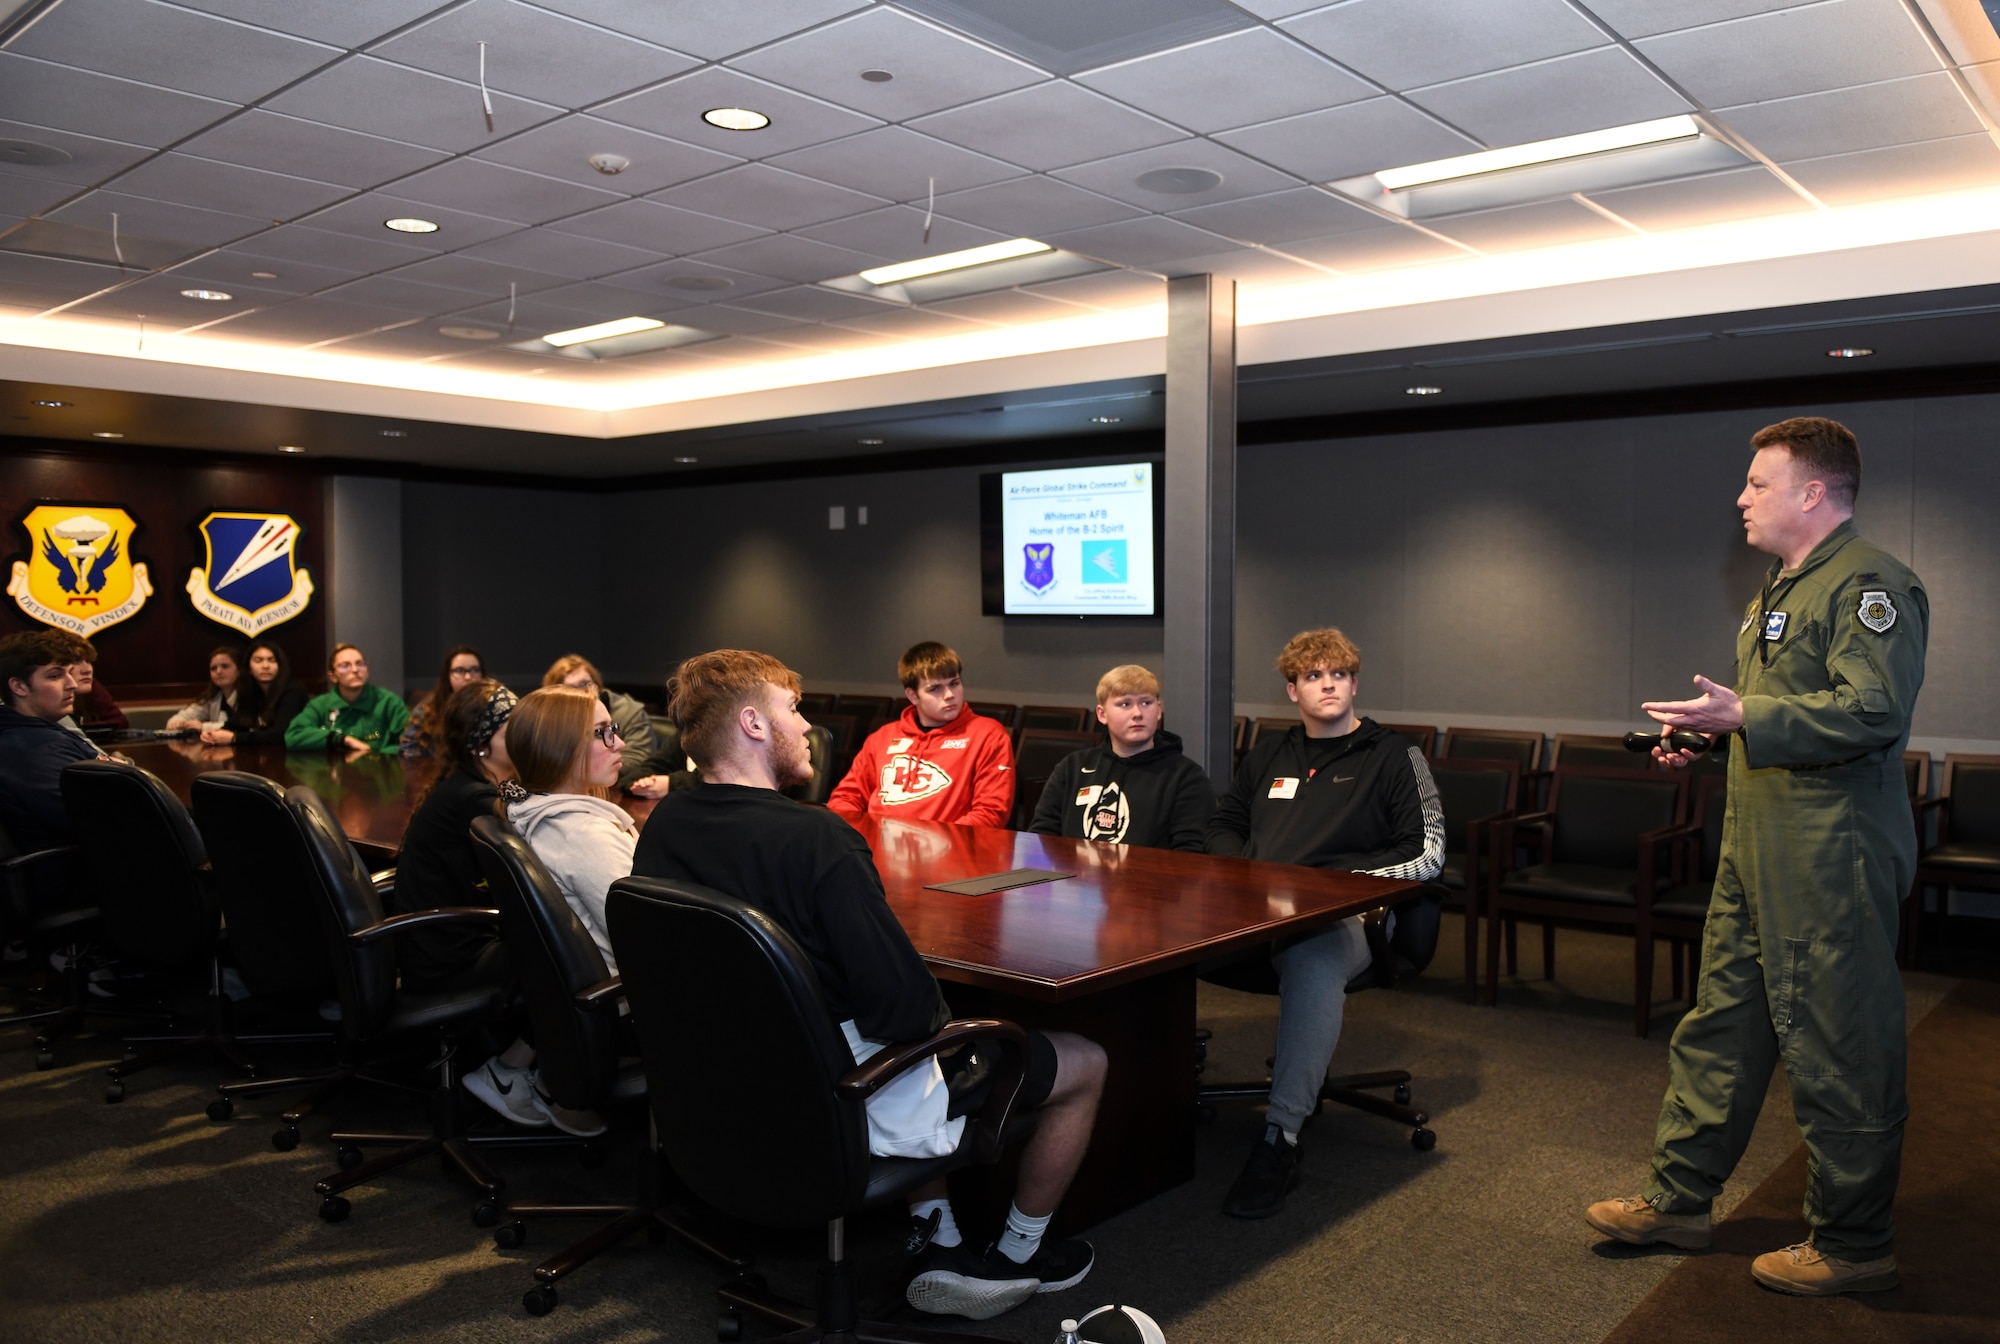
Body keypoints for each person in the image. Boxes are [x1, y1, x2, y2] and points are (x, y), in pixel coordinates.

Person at [636, 649, 1104, 1321]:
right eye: (792, 711)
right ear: (753, 725)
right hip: (840, 1093)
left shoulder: (668, 825)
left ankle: (937, 1235)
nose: (804, 728)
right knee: (1082, 1059)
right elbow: (907, 1013)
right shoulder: (818, 839)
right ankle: (1019, 1254)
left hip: (731, 1088)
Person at [1585, 417, 1928, 1296]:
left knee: (1839, 1045)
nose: (1740, 497)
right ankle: (1681, 1200)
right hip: (1756, 844)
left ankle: (1853, 1243)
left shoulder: (1871, 584)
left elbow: (1872, 712)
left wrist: (1749, 720)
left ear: (1812, 492)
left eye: (1758, 483)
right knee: (1723, 1027)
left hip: (1831, 854)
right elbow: (1778, 709)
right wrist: (1711, 739)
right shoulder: (1780, 587)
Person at [1204, 627, 1443, 1219]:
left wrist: (1336, 888)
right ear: (1293, 691)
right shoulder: (1268, 756)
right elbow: (1222, 826)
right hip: (1258, 916)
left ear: (1355, 683)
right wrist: (1245, 874)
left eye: (1337, 674)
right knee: (1156, 939)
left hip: (1352, 920)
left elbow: (1429, 853)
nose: (1327, 684)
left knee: (1312, 955)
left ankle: (1280, 1139)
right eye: (1313, 676)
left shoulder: (1394, 756)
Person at [827, 641, 1015, 827]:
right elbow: (845, 798)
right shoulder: (882, 737)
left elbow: (991, 814)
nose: (949, 695)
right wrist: (862, 838)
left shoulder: (988, 735)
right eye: (935, 688)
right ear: (913, 696)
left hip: (948, 851)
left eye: (954, 683)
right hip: (875, 848)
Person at [1029, 664, 1213, 850]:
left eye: (1146, 703)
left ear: (1158, 711)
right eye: (1125, 704)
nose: (1137, 714)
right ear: (1102, 714)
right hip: (1074, 877)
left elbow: (1191, 854)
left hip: (1147, 878)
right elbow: (1043, 837)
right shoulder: (1072, 767)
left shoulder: (1185, 776)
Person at [0, 630, 110, 851]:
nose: (71, 684)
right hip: (85, 876)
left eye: (70, 673)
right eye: (54, 676)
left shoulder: (40, 732)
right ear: (19, 687)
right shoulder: (32, 751)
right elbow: (101, 824)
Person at [542, 654, 672, 799]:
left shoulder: (629, 711)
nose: (581, 693)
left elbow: (638, 759)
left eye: (585, 684)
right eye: (600, 732)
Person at [285, 644, 409, 754]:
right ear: (333, 676)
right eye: (345, 666)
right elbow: (294, 735)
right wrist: (342, 740)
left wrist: (375, 755)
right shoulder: (320, 705)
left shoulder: (389, 702)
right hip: (334, 775)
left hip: (377, 774)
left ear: (368, 671)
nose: (355, 670)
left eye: (360, 664)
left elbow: (411, 744)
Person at [204, 640, 308, 746]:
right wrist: (214, 734)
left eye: (272, 660)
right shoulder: (252, 691)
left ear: (280, 666)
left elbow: (281, 735)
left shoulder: (293, 692)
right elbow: (238, 722)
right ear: (249, 668)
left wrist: (235, 738)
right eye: (258, 661)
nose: (266, 666)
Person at [401, 645, 485, 758]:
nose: (468, 676)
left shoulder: (493, 708)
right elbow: (407, 750)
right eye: (460, 670)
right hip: (435, 771)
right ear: (448, 675)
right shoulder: (428, 709)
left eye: (475, 670)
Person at [165, 646, 242, 731]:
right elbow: (179, 718)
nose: (218, 671)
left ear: (239, 670)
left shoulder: (251, 696)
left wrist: (204, 727)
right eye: (213, 668)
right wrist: (178, 723)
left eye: (225, 666)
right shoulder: (213, 697)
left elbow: (244, 727)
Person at [66, 654, 127, 731]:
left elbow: (120, 721)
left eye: (88, 661)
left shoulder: (91, 685)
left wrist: (87, 729)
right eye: (76, 661)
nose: (87, 670)